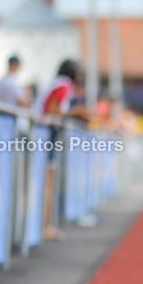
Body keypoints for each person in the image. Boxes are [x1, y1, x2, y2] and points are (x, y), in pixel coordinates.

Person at [33, 59, 89, 239]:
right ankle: (44, 227)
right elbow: (51, 110)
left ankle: (42, 226)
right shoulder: (64, 86)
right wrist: (76, 112)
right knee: (46, 182)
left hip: (41, 132)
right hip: (44, 133)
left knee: (43, 182)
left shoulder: (57, 84)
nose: (81, 77)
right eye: (80, 73)